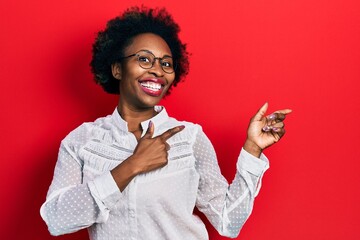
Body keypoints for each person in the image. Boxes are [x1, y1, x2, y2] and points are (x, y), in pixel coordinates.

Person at [40, 6, 291, 240]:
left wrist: (253, 149)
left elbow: (228, 221)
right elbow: (56, 219)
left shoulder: (190, 138)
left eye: (166, 64)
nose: (158, 71)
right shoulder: (82, 141)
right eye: (145, 59)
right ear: (117, 69)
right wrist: (132, 166)